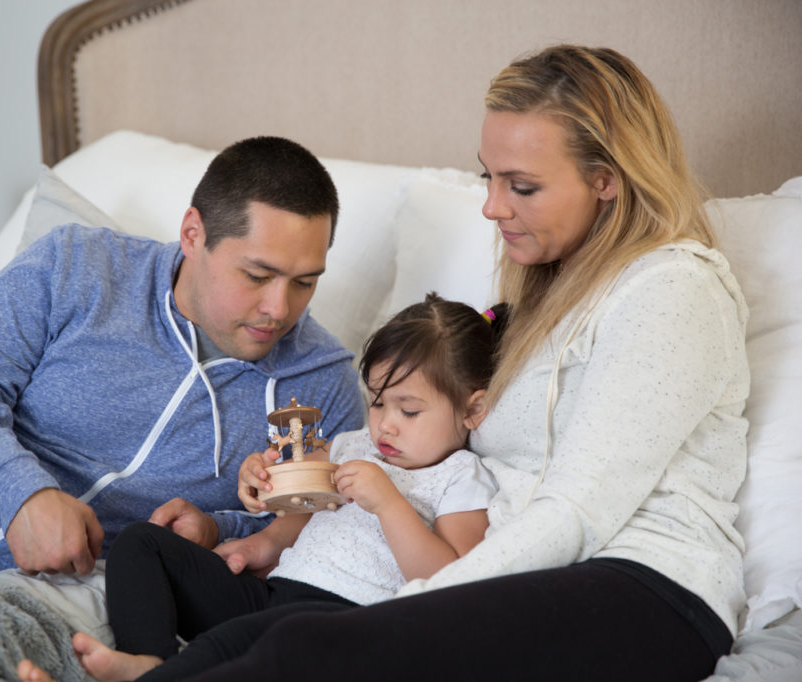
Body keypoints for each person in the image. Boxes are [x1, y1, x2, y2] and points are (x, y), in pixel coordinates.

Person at [155, 45, 751, 682]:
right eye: (489, 177)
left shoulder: (671, 290)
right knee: (268, 642)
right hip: (536, 576)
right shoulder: (542, 299)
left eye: (521, 186)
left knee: (312, 651)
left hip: (648, 587)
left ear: (607, 179)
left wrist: (408, 606)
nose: (493, 207)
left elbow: (577, 512)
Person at [0, 136, 366, 589]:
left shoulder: (319, 385)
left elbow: (299, 533)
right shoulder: (79, 265)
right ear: (193, 234)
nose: (278, 309)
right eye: (257, 275)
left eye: (305, 282)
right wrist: (23, 495)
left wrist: (218, 528)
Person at [17, 294, 507, 682]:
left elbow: (454, 583)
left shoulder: (463, 477)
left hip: (343, 620)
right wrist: (261, 510)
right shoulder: (354, 445)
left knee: (234, 647)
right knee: (141, 544)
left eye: (410, 410)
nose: (386, 426)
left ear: (472, 410)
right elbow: (300, 507)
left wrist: (390, 504)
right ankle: (149, 657)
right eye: (377, 403)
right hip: (275, 593)